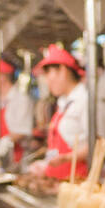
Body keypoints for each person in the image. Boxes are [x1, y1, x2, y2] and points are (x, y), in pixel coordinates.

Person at [32, 44, 89, 180]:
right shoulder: (63, 102)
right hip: (58, 180)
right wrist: (45, 164)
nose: (47, 82)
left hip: (78, 180)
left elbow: (98, 145)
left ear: (62, 70)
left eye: (48, 75)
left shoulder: (84, 100)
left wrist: (66, 158)